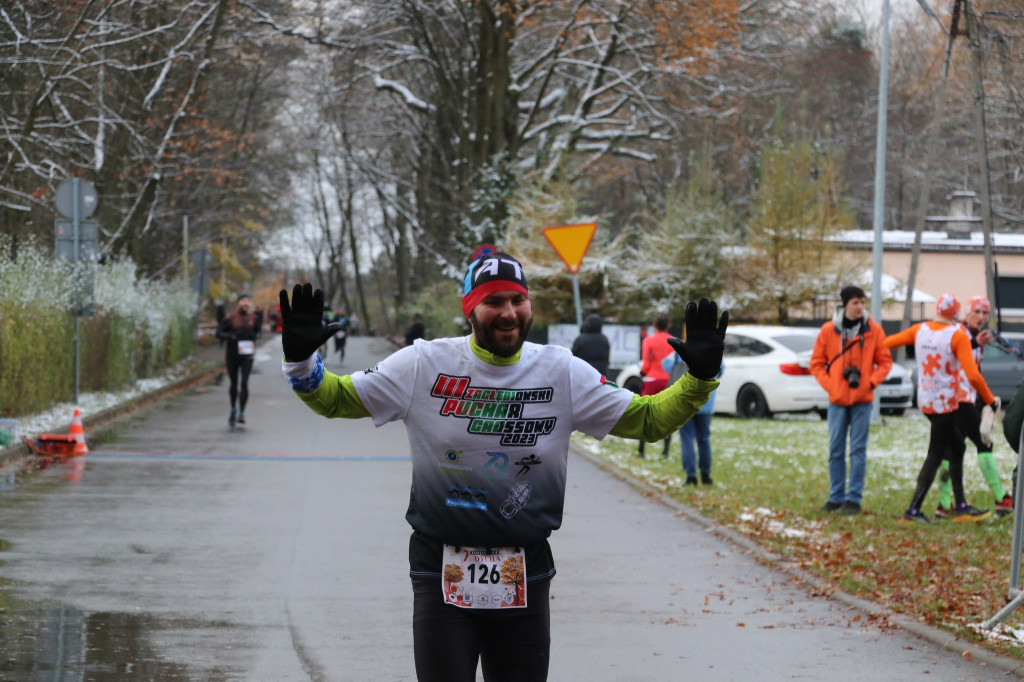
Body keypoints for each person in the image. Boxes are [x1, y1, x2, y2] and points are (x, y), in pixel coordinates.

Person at [278, 251, 727, 682]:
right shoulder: (423, 364)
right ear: (470, 309)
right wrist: (302, 362)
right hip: (441, 565)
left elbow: (646, 420)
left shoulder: (562, 371)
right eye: (493, 301)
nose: (508, 312)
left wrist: (698, 380)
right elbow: (336, 398)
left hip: (524, 564)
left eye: (517, 299)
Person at [884, 293, 998, 524]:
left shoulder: (921, 329)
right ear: (958, 314)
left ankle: (960, 506)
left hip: (926, 400)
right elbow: (973, 375)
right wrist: (990, 400)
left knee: (956, 446)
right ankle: (913, 510)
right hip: (947, 402)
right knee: (936, 453)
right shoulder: (956, 336)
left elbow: (887, 343)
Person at [809, 286, 892, 515]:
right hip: (837, 400)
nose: (860, 307)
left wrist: (871, 382)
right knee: (835, 449)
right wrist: (831, 384)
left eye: (863, 302)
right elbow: (816, 363)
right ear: (845, 304)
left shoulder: (874, 330)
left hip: (862, 400)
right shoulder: (829, 330)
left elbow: (885, 362)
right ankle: (836, 497)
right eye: (855, 302)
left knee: (857, 450)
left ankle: (853, 498)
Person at [934, 295, 1013, 517]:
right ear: (966, 313)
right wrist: (973, 343)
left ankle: (944, 505)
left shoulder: (976, 336)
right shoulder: (959, 333)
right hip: (956, 400)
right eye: (976, 312)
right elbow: (949, 352)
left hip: (965, 398)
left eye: (984, 313)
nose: (980, 317)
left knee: (950, 451)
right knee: (983, 443)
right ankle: (1001, 499)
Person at [663, 352, 721, 485]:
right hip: (706, 402)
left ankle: (691, 476)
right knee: (704, 439)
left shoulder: (684, 347)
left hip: (686, 401)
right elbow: (720, 369)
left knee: (687, 438)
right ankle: (706, 475)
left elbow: (666, 364)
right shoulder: (714, 346)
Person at [215, 293, 261, 427]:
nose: (246, 303)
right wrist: (231, 336)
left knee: (245, 383)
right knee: (234, 384)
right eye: (243, 301)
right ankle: (233, 409)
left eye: (248, 301)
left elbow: (258, 332)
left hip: (247, 355)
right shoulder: (231, 317)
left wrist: (255, 335)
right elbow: (218, 333)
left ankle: (242, 412)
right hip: (232, 355)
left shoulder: (254, 317)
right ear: (238, 303)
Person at [638, 312, 674, 458]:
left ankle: (641, 449)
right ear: (669, 325)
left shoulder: (649, 340)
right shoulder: (673, 340)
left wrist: (643, 371)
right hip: (668, 380)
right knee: (667, 415)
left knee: (645, 414)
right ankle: (665, 451)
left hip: (652, 379)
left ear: (654, 325)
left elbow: (646, 361)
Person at [570, 313, 611, 380]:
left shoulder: (580, 339)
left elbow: (573, 356)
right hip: (601, 374)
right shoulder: (604, 339)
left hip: (583, 374)